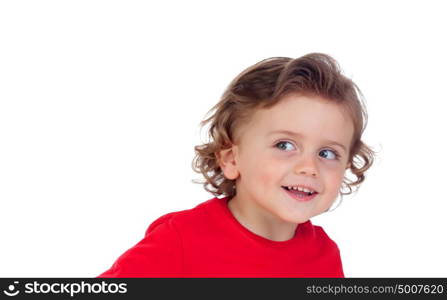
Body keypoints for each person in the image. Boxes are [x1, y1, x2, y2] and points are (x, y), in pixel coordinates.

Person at [98, 53, 377, 278]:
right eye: (284, 145)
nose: (309, 167)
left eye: (327, 153)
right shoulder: (182, 240)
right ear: (232, 159)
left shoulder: (324, 255)